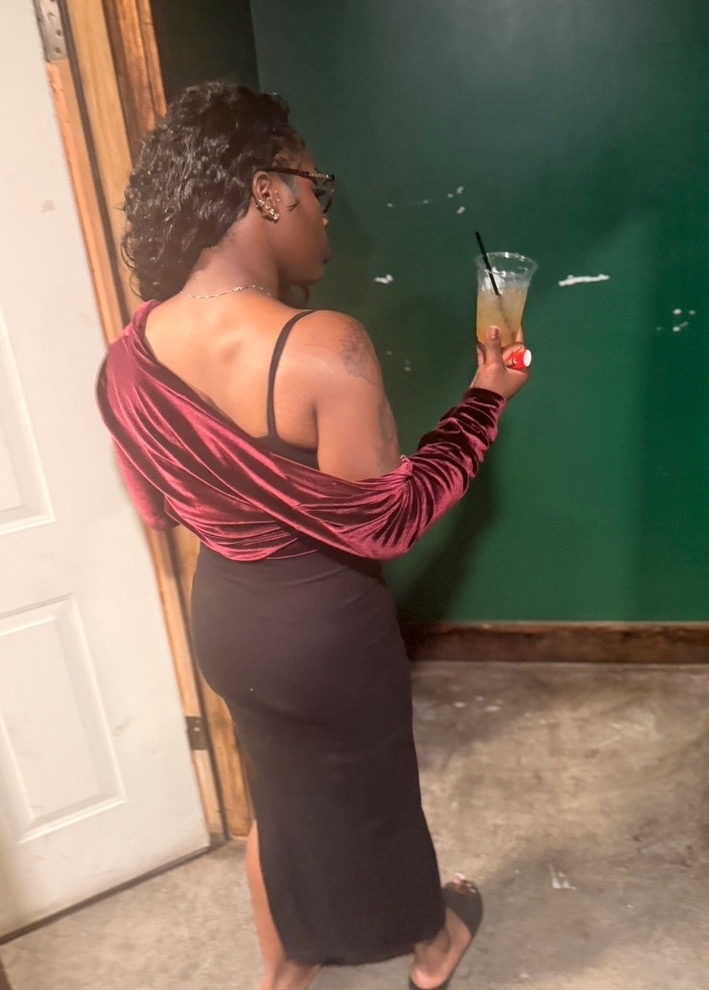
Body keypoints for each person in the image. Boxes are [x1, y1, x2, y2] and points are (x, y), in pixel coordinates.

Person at [96, 81, 530, 990]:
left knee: (279, 801)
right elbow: (388, 522)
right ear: (268, 191)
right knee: (377, 799)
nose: (325, 214)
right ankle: (433, 949)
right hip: (326, 632)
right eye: (316, 188)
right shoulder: (325, 346)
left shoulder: (127, 359)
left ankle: (286, 964)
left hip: (227, 620)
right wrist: (485, 397)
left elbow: (157, 507)